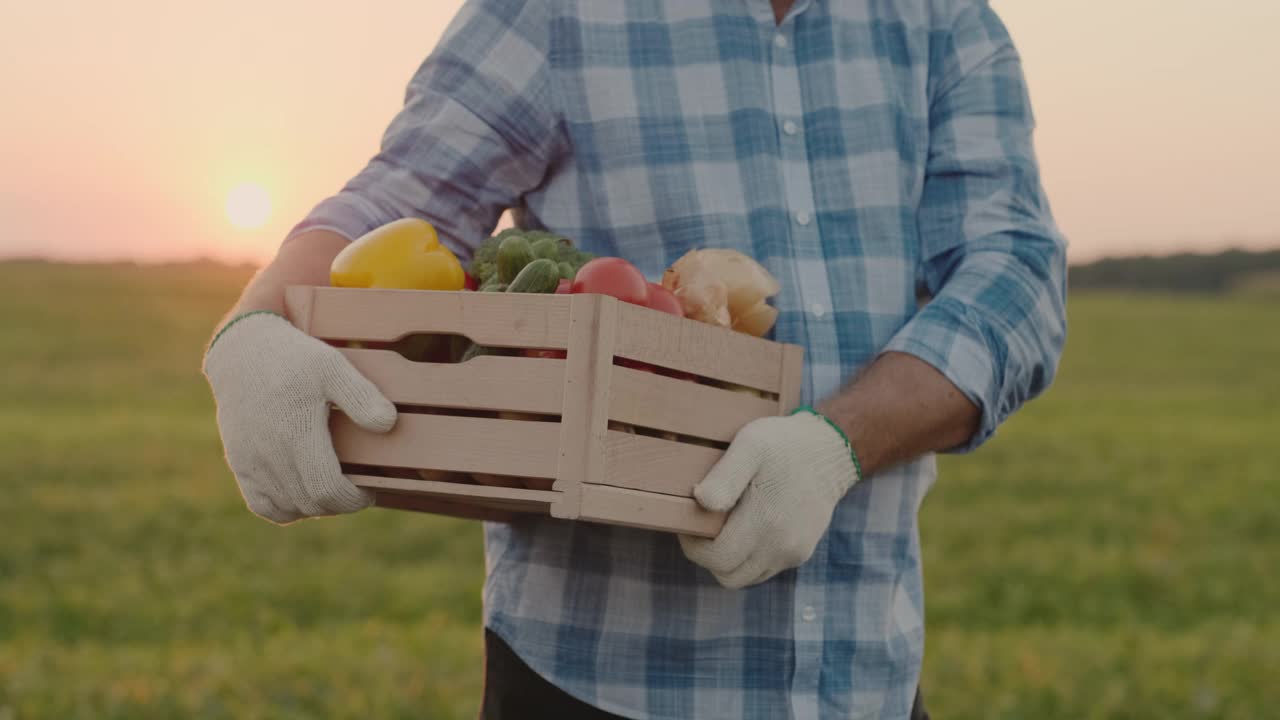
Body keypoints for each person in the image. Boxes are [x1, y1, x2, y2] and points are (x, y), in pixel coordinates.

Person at [203, 0, 1066, 717]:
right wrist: (252, 329)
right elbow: (400, 197)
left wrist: (836, 446)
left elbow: (1014, 274)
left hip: (865, 682)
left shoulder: (943, 23)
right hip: (591, 684)